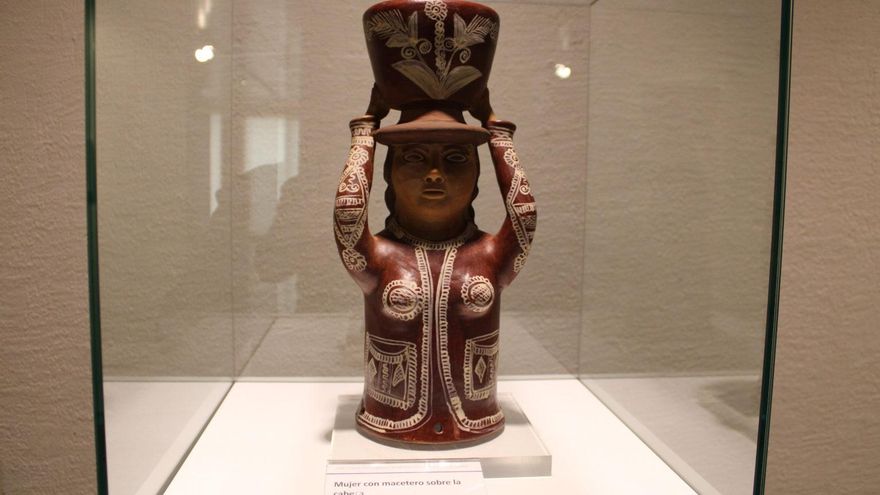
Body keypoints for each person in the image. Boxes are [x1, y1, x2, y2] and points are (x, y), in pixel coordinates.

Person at [333, 86, 536, 445]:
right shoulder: (378, 257)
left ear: (476, 176)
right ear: (389, 173)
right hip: (389, 418)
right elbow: (348, 212)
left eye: (456, 159)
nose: (434, 174)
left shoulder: (491, 254)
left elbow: (525, 214)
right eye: (413, 157)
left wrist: (496, 130)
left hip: (478, 416)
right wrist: (365, 130)